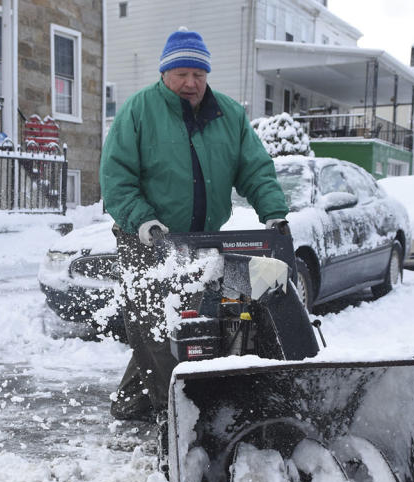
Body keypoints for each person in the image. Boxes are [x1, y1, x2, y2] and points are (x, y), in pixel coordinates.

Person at [100, 27, 289, 424]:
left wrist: (273, 212)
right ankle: (176, 413)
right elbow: (116, 179)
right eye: (181, 74)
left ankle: (134, 401)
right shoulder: (138, 111)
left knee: (200, 320)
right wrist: (142, 220)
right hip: (146, 238)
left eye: (198, 74)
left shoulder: (229, 116)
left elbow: (254, 169)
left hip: (204, 241)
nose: (190, 83)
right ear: (165, 74)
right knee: (154, 326)